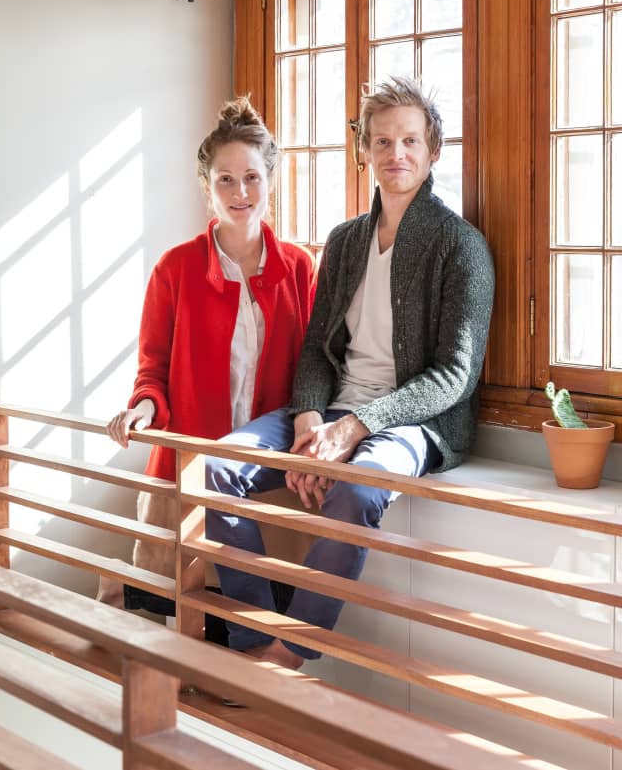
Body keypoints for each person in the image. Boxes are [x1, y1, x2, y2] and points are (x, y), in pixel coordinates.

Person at [205, 76, 495, 670]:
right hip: (331, 409)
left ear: (434, 151)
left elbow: (454, 376)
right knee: (215, 467)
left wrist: (356, 427)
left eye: (410, 141)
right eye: (382, 141)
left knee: (357, 489)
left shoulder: (460, 245)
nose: (396, 154)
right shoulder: (345, 241)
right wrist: (310, 420)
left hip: (412, 424)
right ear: (364, 149)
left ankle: (290, 650)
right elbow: (318, 347)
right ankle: (252, 638)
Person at [106, 96, 316, 595]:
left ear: (270, 181)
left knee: (260, 617)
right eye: (225, 179)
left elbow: (315, 370)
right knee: (177, 613)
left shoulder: (300, 268)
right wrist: (142, 409)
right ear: (207, 186)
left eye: (251, 177)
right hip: (186, 472)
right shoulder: (174, 269)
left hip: (270, 478)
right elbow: (153, 369)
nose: (240, 192)